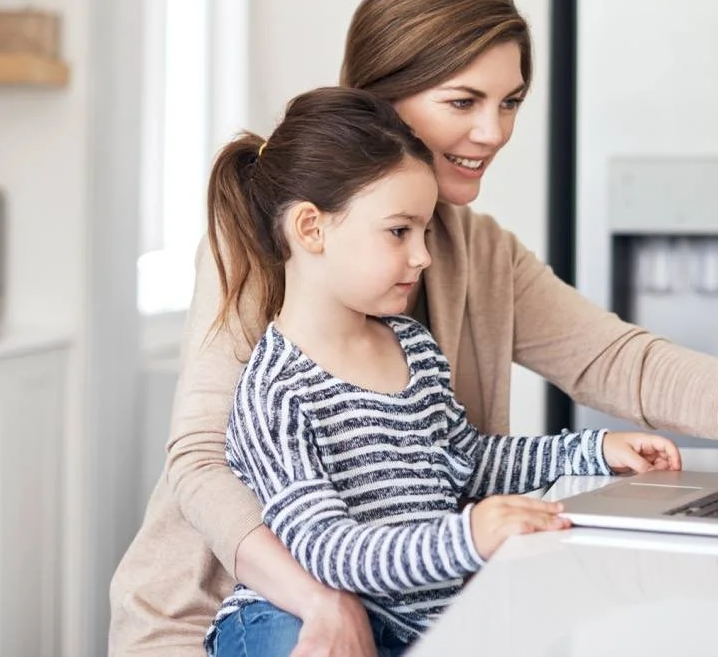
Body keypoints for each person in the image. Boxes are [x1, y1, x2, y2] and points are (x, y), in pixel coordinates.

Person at [109, 0, 718, 657]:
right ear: (379, 102)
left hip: (407, 601)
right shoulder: (262, 240)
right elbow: (203, 463)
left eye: (510, 102)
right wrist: (320, 599)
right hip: (233, 613)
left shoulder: (481, 251)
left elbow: (607, 358)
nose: (493, 132)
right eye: (463, 102)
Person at [200, 87, 684, 656]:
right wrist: (469, 537)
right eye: (399, 231)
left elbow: (471, 462)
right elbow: (327, 549)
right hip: (290, 617)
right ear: (312, 229)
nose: (423, 256)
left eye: (425, 232)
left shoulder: (414, 348)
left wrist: (594, 450)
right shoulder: (276, 391)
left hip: (416, 621)